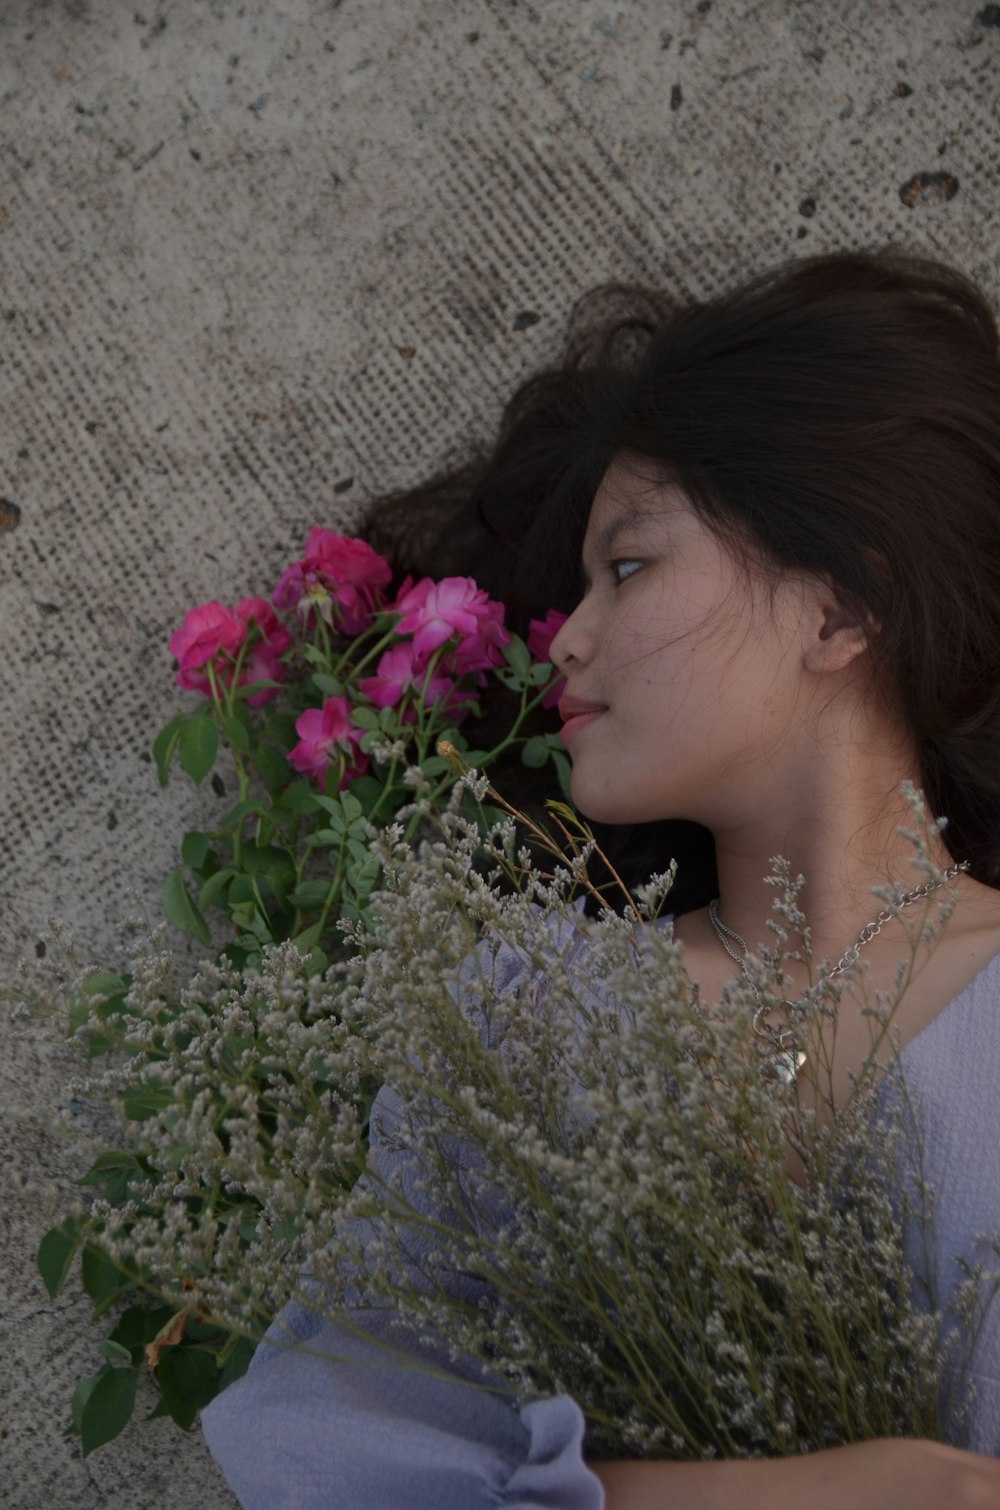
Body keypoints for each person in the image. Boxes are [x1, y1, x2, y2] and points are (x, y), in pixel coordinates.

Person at [201, 247, 1000, 1506]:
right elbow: (330, 1441)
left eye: (627, 566)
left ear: (842, 612)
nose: (564, 637)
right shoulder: (529, 1017)